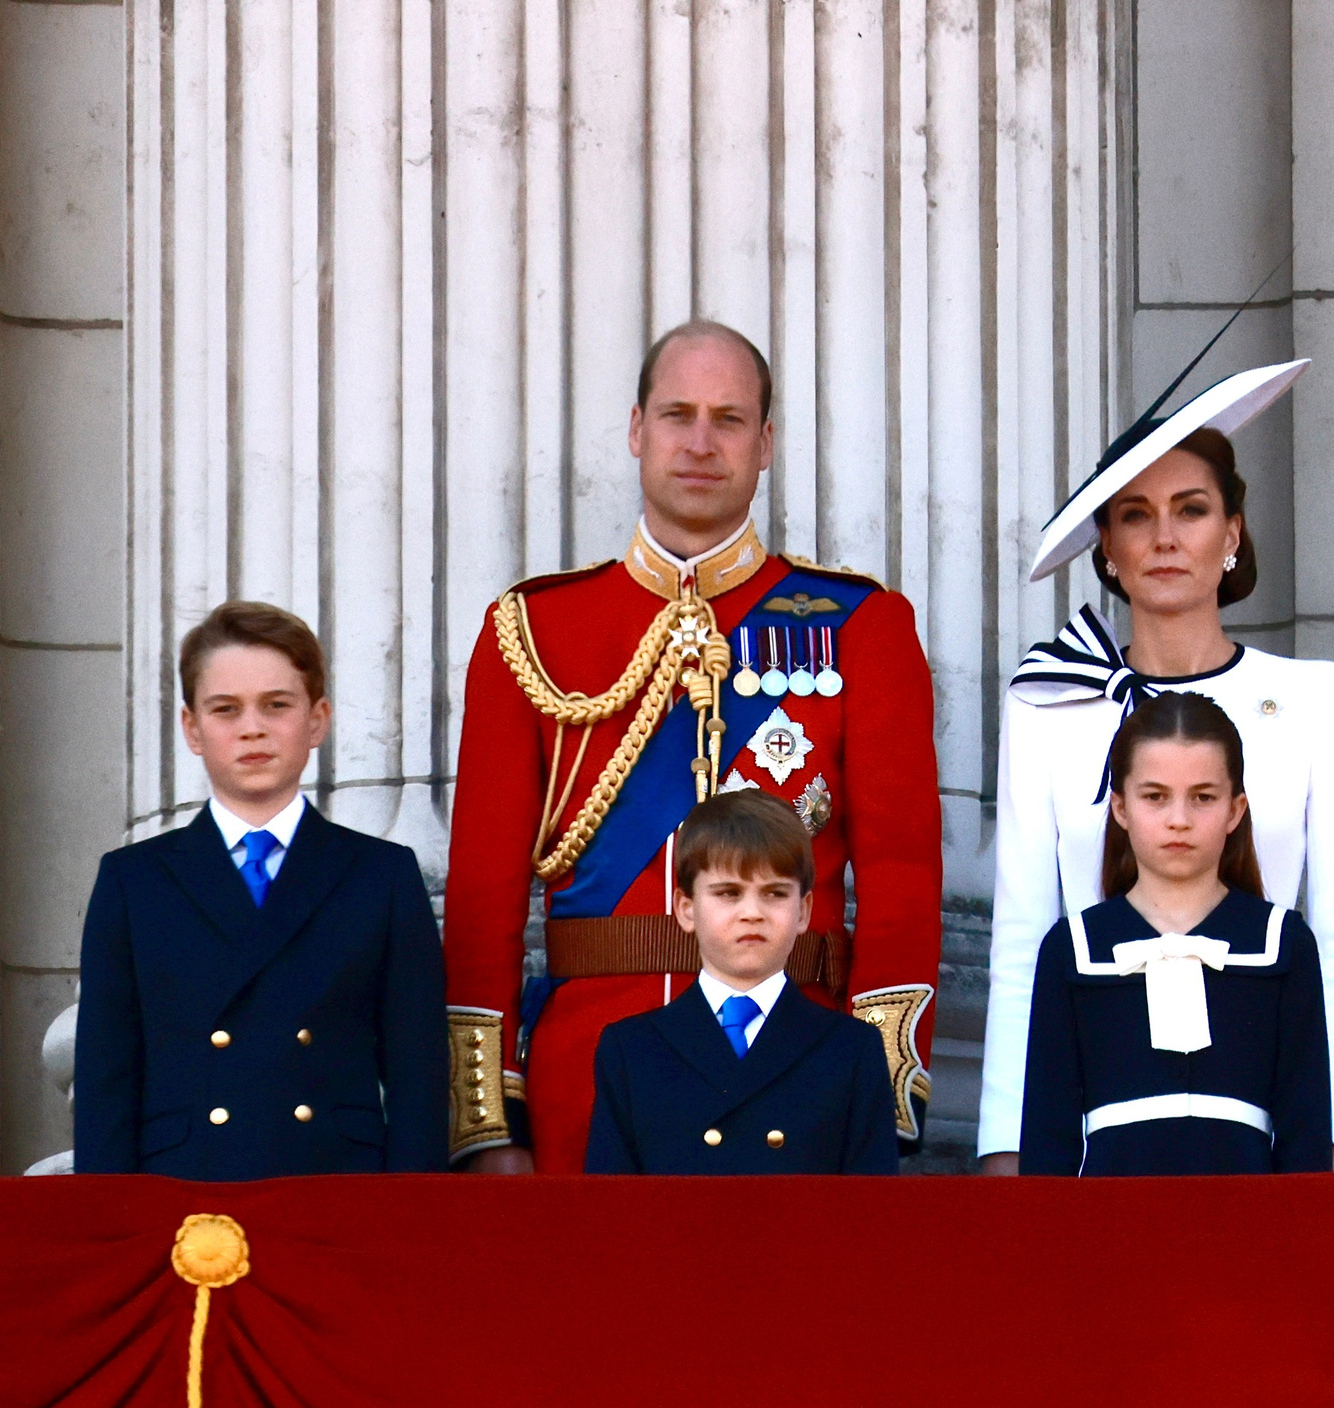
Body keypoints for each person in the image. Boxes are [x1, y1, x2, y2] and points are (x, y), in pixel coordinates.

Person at [443, 320, 941, 1174]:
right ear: (637, 430)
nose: (701, 443)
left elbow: (901, 883)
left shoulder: (861, 626)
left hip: (801, 1071)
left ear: (767, 442)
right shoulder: (532, 631)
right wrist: (490, 1122)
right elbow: (483, 896)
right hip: (588, 1078)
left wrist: (882, 1091)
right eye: (677, 415)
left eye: (730, 418)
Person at [980, 359, 1334, 1173]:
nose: (1165, 538)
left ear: (1231, 533)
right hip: (1099, 1107)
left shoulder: (1315, 698)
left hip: (1262, 1100)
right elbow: (1022, 938)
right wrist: (1005, 1144)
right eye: (1136, 515)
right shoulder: (1048, 703)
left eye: (1191, 510)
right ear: (1107, 546)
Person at [74, 603, 450, 1177]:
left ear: (317, 720)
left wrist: (406, 1226)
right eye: (226, 709)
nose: (252, 727)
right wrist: (112, 1226)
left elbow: (416, 1075)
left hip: (336, 1184)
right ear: (192, 729)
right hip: (182, 1192)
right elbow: (106, 1079)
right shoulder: (134, 881)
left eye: (277, 705)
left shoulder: (382, 876)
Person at [1019, 694, 1333, 1176]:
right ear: (1121, 807)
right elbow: (1047, 1144)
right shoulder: (1073, 947)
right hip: (1110, 1233)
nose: (1179, 819)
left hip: (1248, 1234)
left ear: (1235, 809)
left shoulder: (1283, 942)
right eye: (1155, 796)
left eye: (1203, 797)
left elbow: (1305, 1140)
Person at [583, 791, 899, 1175]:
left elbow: (868, 1215)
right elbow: (613, 1214)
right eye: (729, 893)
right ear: (686, 909)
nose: (752, 913)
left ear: (803, 911)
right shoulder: (631, 1050)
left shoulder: (851, 1051)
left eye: (774, 894)